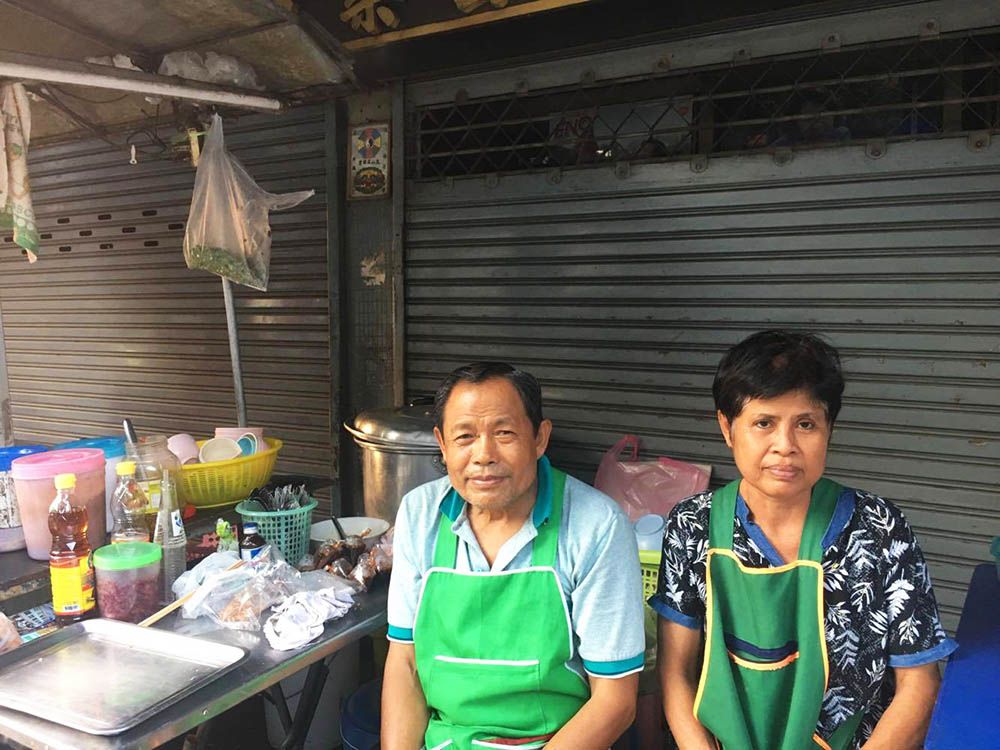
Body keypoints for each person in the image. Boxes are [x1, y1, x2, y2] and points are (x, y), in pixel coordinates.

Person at [649, 330, 957, 750]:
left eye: (806, 424)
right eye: (763, 423)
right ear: (727, 427)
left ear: (829, 428)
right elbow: (676, 672)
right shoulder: (693, 526)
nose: (785, 446)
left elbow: (918, 687)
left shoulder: (880, 529)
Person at [383, 362, 645, 750]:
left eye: (504, 433)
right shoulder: (420, 514)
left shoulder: (597, 525)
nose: (483, 455)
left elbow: (615, 702)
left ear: (540, 439)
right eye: (465, 436)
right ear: (442, 444)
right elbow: (404, 662)